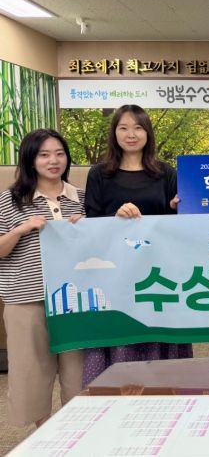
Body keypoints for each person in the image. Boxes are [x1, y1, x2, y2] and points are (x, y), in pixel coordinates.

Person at [82, 105, 192, 385]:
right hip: (115, 274)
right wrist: (115, 217)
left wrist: (174, 209)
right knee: (121, 342)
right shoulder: (99, 174)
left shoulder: (165, 173)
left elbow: (178, 228)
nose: (131, 134)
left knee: (161, 343)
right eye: (123, 128)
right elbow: (90, 222)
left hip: (159, 275)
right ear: (114, 133)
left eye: (138, 127)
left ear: (148, 133)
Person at [0, 129, 84, 427]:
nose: (53, 161)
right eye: (44, 154)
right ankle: (43, 439)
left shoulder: (81, 198)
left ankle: (78, 436)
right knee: (31, 376)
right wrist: (21, 229)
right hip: (27, 300)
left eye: (60, 154)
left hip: (76, 301)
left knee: (79, 376)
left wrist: (86, 228)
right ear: (30, 159)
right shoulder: (9, 200)